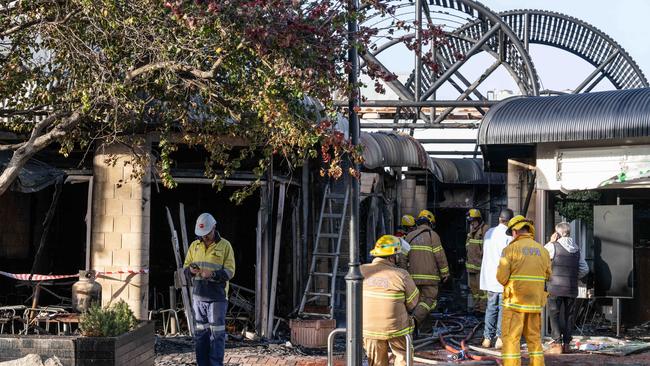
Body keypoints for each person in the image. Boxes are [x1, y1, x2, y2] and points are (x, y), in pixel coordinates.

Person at [497, 215, 551, 366]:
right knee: (534, 339)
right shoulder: (543, 250)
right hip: (534, 303)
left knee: (511, 338)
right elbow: (548, 275)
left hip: (515, 303)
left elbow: (501, 278)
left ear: (515, 231)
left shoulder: (509, 250)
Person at [183, 213, 236, 366]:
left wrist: (212, 274)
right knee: (201, 335)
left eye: (207, 234)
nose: (204, 237)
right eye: (202, 235)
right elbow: (185, 268)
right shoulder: (194, 246)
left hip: (217, 298)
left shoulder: (225, 246)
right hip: (199, 297)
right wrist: (190, 271)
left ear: (214, 227)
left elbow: (230, 271)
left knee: (217, 335)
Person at [362, 235, 420, 366]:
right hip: (396, 329)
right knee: (402, 356)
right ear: (392, 257)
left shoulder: (361, 271)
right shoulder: (402, 275)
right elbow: (413, 303)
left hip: (369, 330)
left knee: (376, 361)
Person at [544, 222, 589, 354]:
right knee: (569, 315)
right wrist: (574, 277)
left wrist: (550, 241)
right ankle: (567, 344)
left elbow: (541, 255)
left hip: (555, 287)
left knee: (554, 314)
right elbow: (585, 269)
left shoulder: (553, 246)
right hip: (571, 288)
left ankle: (557, 344)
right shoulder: (577, 248)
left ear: (557, 233)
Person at [405, 210, 449, 326]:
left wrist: (404, 274)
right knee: (429, 300)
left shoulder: (409, 236)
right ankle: (413, 322)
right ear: (430, 223)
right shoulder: (432, 235)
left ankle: (418, 326)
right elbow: (440, 256)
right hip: (430, 278)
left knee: (415, 301)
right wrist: (445, 273)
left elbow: (402, 258)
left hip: (412, 277)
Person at [479, 208, 514, 349]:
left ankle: (487, 338)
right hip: (503, 278)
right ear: (510, 221)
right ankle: (500, 338)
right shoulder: (509, 237)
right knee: (503, 309)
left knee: (491, 307)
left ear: (499, 219)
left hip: (489, 278)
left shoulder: (489, 232)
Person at [466, 208, 489, 314]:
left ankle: (483, 310)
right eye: (471, 222)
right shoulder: (471, 232)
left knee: (482, 291)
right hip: (471, 266)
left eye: (474, 221)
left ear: (479, 220)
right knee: (474, 290)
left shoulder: (485, 230)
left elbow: (487, 249)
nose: (472, 224)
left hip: (481, 267)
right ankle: (477, 308)